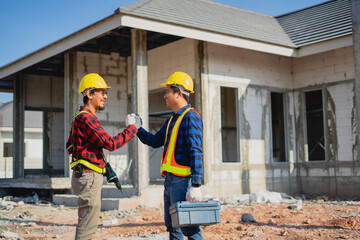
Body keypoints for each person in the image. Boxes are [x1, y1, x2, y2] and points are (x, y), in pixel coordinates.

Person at [66, 73, 141, 240]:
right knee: (87, 227)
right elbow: (110, 143)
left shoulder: (80, 118)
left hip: (84, 174)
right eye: (101, 92)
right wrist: (131, 129)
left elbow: (69, 146)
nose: (105, 96)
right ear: (89, 94)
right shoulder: (86, 118)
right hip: (89, 176)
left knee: (87, 222)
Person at [134, 71, 204, 240]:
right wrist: (137, 128)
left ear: (178, 93)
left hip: (182, 181)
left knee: (189, 228)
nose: (165, 95)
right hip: (171, 181)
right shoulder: (173, 120)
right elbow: (154, 140)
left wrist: (196, 184)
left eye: (168, 92)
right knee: (173, 227)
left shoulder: (191, 117)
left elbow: (196, 150)